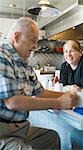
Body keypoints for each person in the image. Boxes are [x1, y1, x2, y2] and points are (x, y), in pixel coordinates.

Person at [0, 17, 78, 150]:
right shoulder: (3, 55)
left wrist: (68, 95)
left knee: (51, 138)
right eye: (32, 40)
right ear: (17, 37)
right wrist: (59, 103)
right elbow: (13, 102)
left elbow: (40, 92)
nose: (36, 46)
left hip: (19, 128)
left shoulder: (24, 62)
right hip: (2, 131)